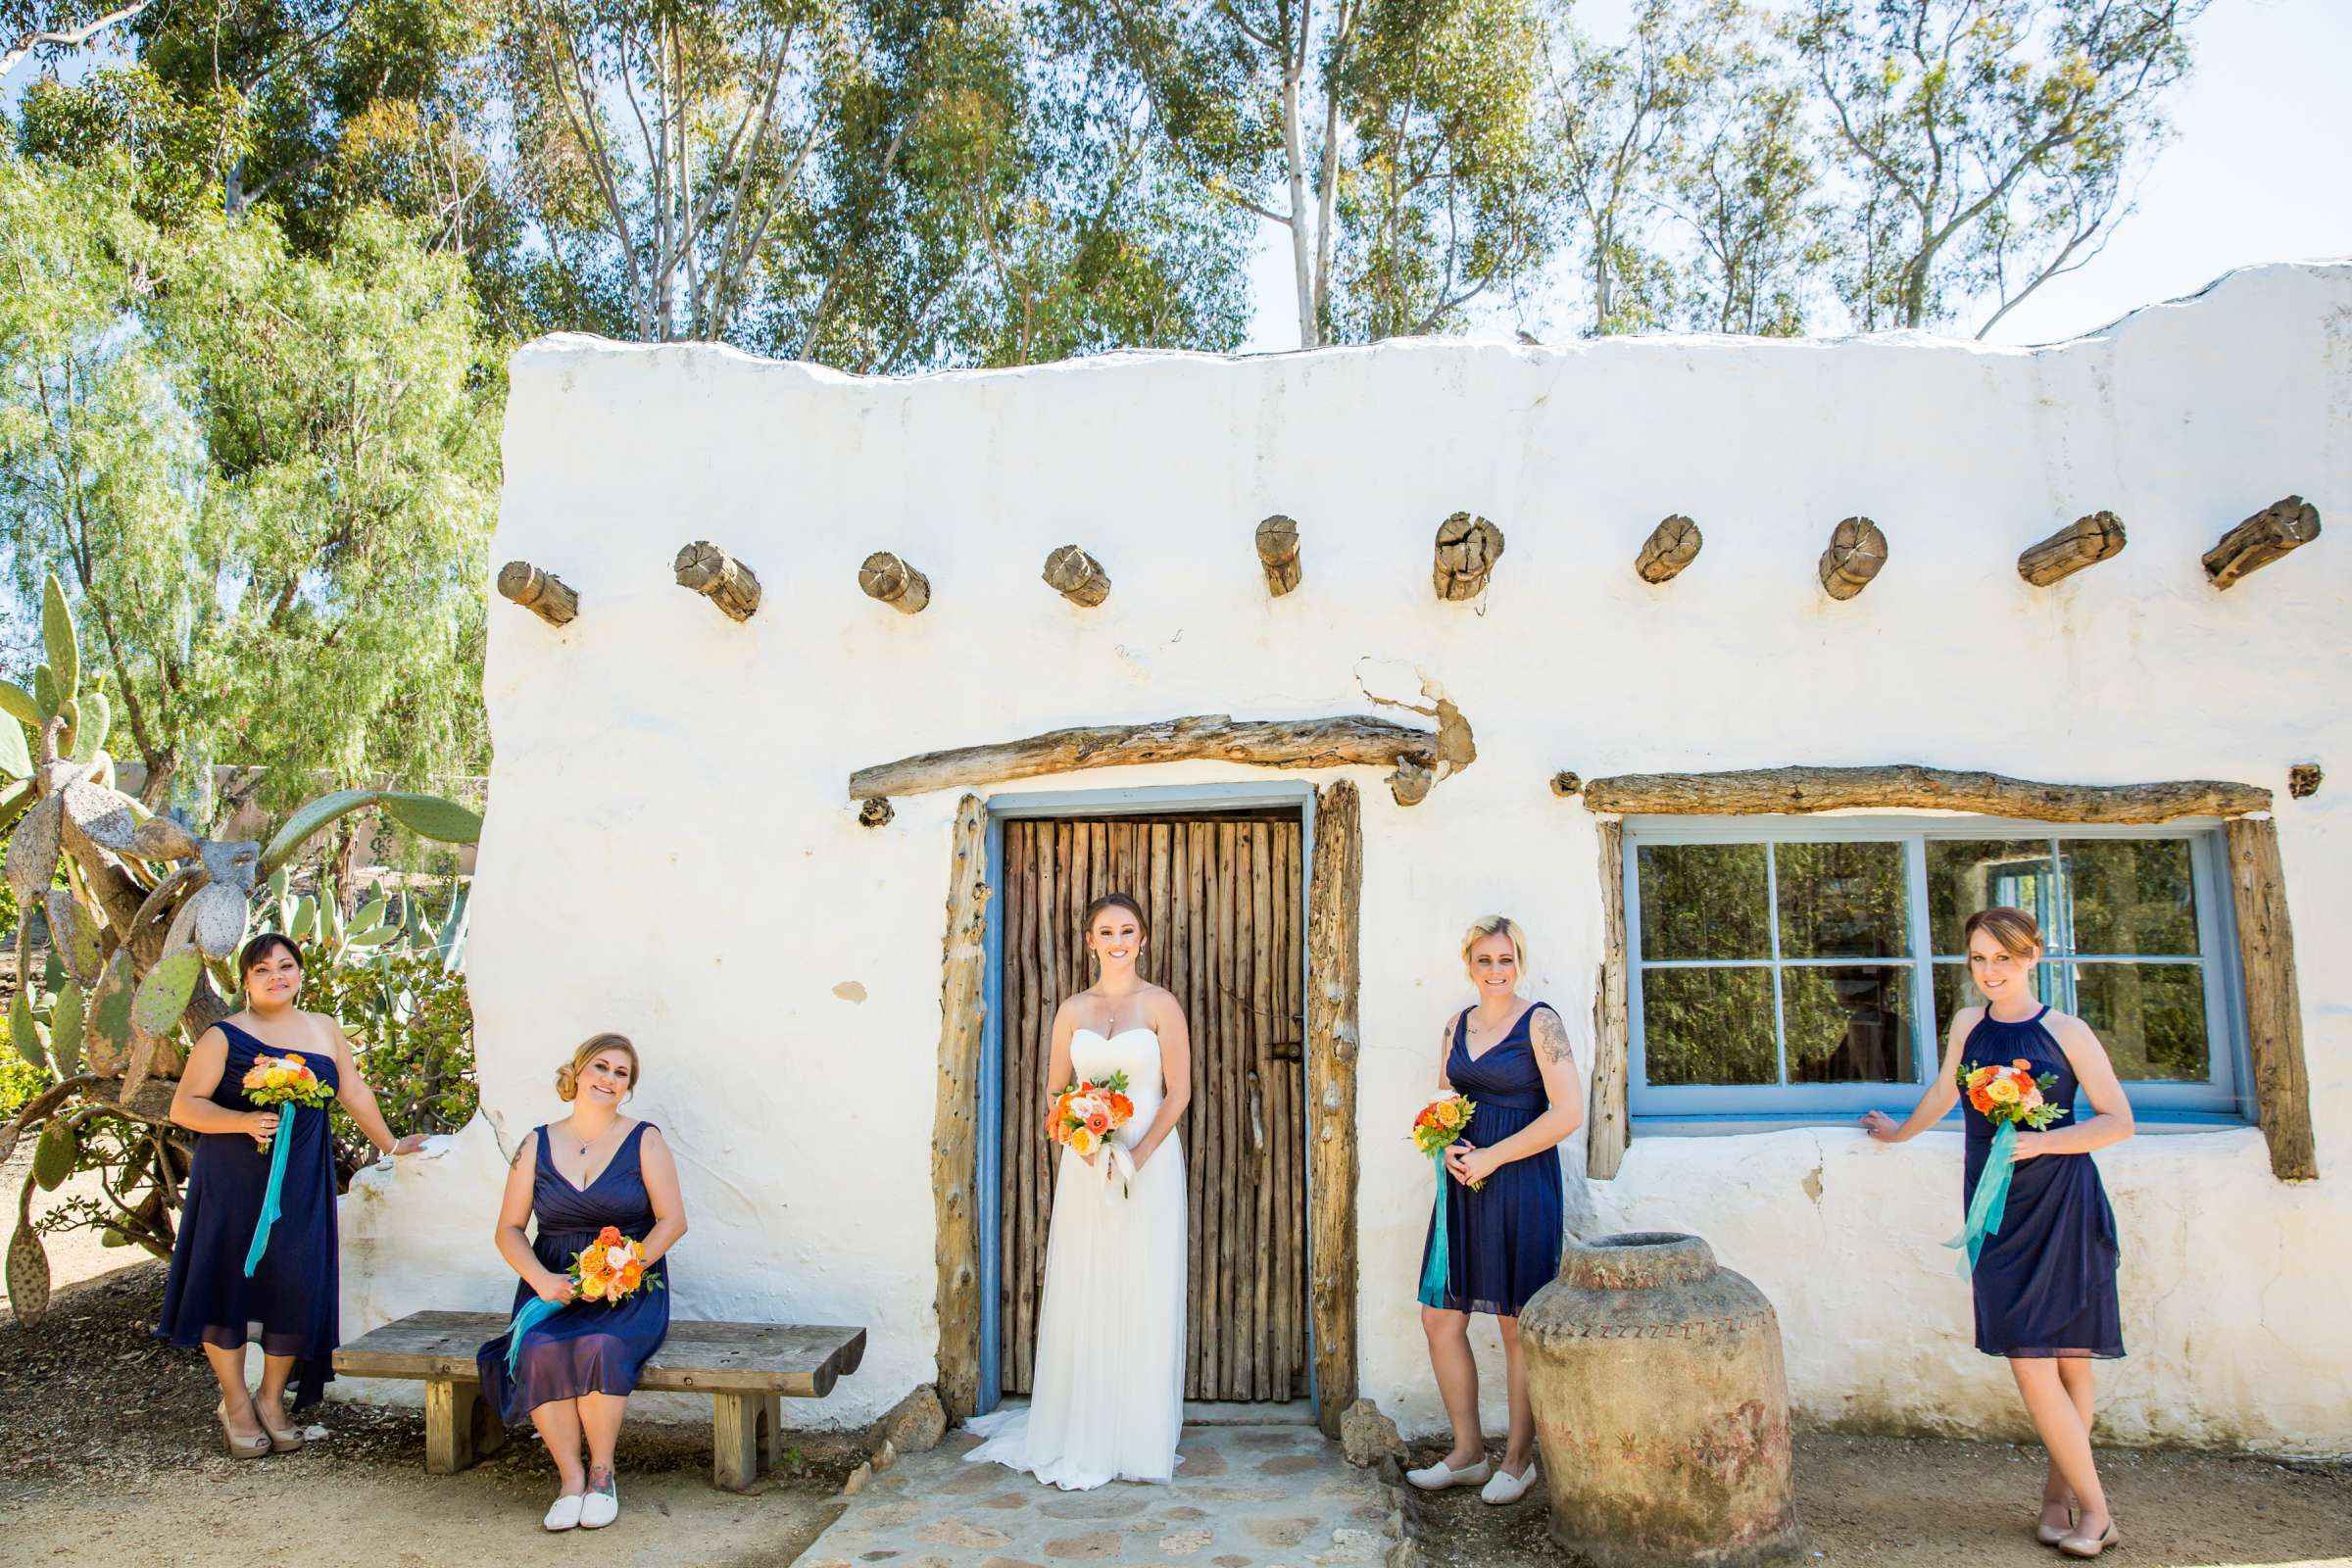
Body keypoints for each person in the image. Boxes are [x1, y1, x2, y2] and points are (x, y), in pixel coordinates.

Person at [1862, 906, 2132, 1559]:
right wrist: (1898, 1133)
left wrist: (2044, 1146)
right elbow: (1944, 1094)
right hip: (1995, 1210)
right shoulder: (1966, 1025)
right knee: (2031, 1358)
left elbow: (2118, 1120)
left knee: (2066, 1365)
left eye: (2003, 959)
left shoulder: (2067, 1031)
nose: (1990, 972)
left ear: (2033, 956)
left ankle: (2090, 1512)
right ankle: (2058, 1503)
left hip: (2062, 1204)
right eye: (1979, 959)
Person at [160, 932, 428, 1456]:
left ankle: (271, 1397)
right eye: (262, 969)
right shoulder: (224, 1036)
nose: (276, 976)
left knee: (294, 1283)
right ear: (245, 981)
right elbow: (184, 1106)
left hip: (304, 1178)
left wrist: (392, 1144)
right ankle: (236, 1402)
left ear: (300, 974)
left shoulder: (324, 1030)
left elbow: (352, 1090)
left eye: (286, 966)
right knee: (228, 1284)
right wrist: (241, 1120)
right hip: (234, 1181)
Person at [965, 891, 1192, 1490]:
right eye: (1106, 932)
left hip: (1150, 1166)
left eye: (1128, 931)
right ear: (1089, 941)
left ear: (1143, 938)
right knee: (1089, 1283)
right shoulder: (1071, 1010)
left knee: (1143, 1284)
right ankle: (1081, 1426)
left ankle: (1136, 1435)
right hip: (1088, 1169)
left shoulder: (1162, 1004)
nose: (1117, 942)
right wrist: (1089, 1149)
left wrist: (1135, 1157)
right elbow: (1054, 1095)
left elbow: (1179, 1093)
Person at [476, 1034, 687, 1531]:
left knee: (600, 1345)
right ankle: (569, 1481)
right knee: (540, 1347)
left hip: (627, 1286)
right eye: (601, 1067)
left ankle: (601, 1475)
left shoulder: (645, 1139)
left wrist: (626, 1267)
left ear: (628, 1088)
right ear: (577, 1072)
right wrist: (543, 1281)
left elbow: (672, 1221)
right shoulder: (536, 1143)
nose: (609, 1079)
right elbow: (508, 1229)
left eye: (621, 1074)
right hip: (554, 1284)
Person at [1408, 915, 1583, 1506]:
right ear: (1469, 964)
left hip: (1520, 1181)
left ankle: (1517, 1461)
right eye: (1485, 960)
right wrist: (1446, 1142)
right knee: (1441, 1318)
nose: (1496, 970)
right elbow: (1443, 1099)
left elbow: (1568, 1112)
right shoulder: (1456, 1024)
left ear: (1519, 962)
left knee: (1516, 1323)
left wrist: (1494, 1157)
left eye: (1505, 959)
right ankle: (1466, 1455)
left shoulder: (1542, 1023)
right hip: (1461, 1182)